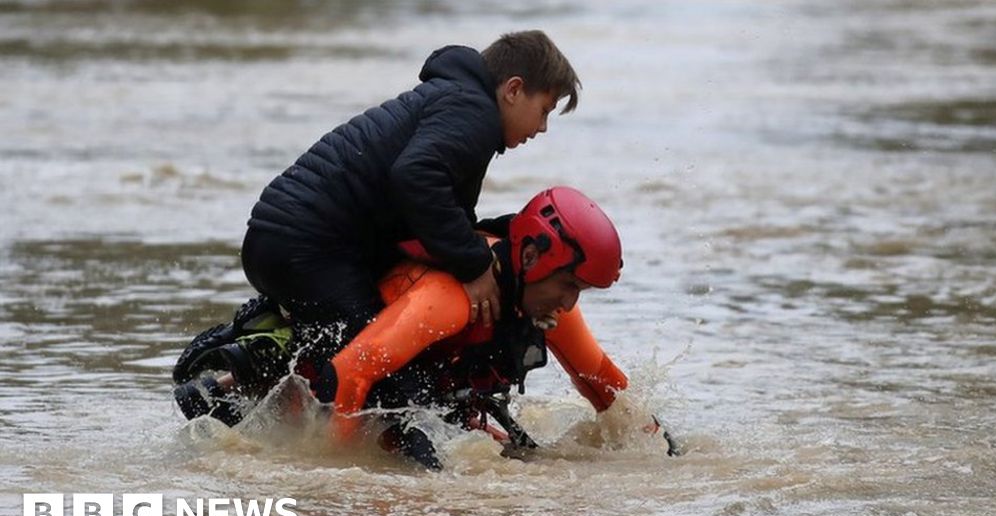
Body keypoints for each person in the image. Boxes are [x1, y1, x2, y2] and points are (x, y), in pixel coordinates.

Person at [173, 187, 681, 469]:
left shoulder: (545, 301)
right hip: (333, 388)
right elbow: (347, 376)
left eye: (581, 292)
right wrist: (343, 472)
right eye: (568, 285)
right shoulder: (448, 300)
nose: (570, 302)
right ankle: (229, 380)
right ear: (528, 255)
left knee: (523, 462)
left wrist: (667, 451)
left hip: (417, 397)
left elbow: (604, 384)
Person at [238, 30, 581, 388]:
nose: (542, 127)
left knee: (372, 351)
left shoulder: (461, 103)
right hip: (304, 246)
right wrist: (475, 265)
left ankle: (231, 384)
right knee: (382, 371)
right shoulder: (474, 112)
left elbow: (445, 208)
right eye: (544, 110)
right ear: (513, 90)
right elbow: (416, 177)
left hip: (287, 241)